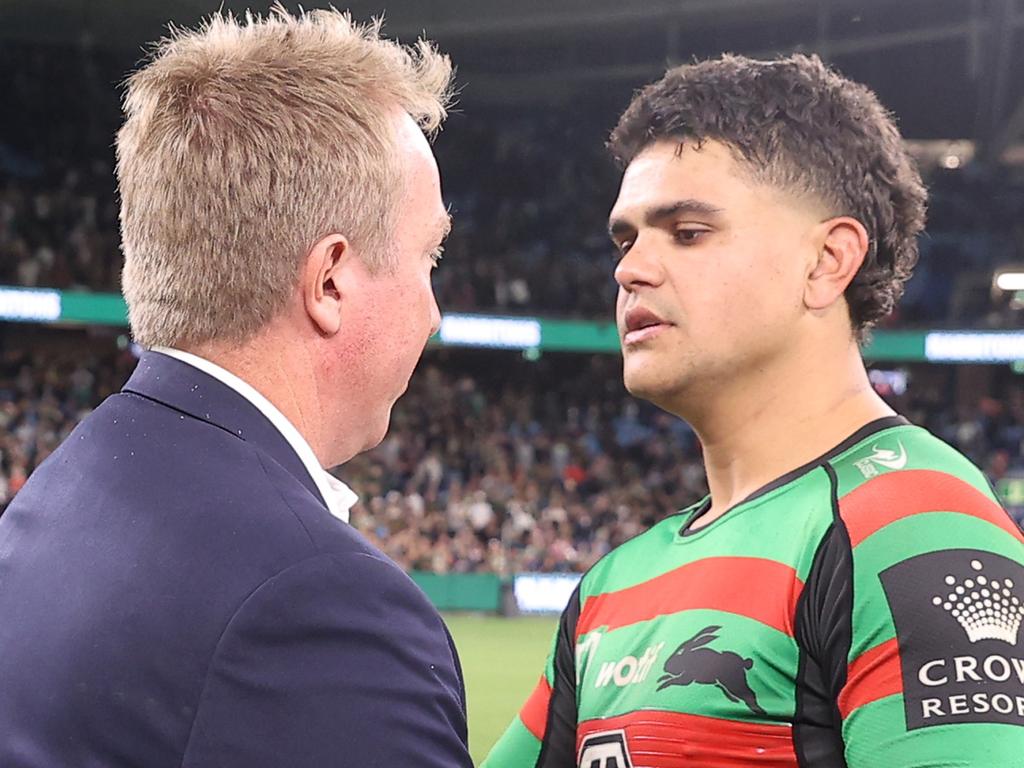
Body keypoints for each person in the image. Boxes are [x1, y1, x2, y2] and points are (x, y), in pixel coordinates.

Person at [484, 54, 1024, 767]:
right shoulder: (616, 581)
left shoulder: (910, 523)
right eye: (626, 238)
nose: (629, 268)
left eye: (687, 232)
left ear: (828, 261)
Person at [0, 9, 471, 767]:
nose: (434, 311)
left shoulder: (56, 497)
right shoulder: (320, 605)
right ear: (330, 281)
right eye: (430, 258)